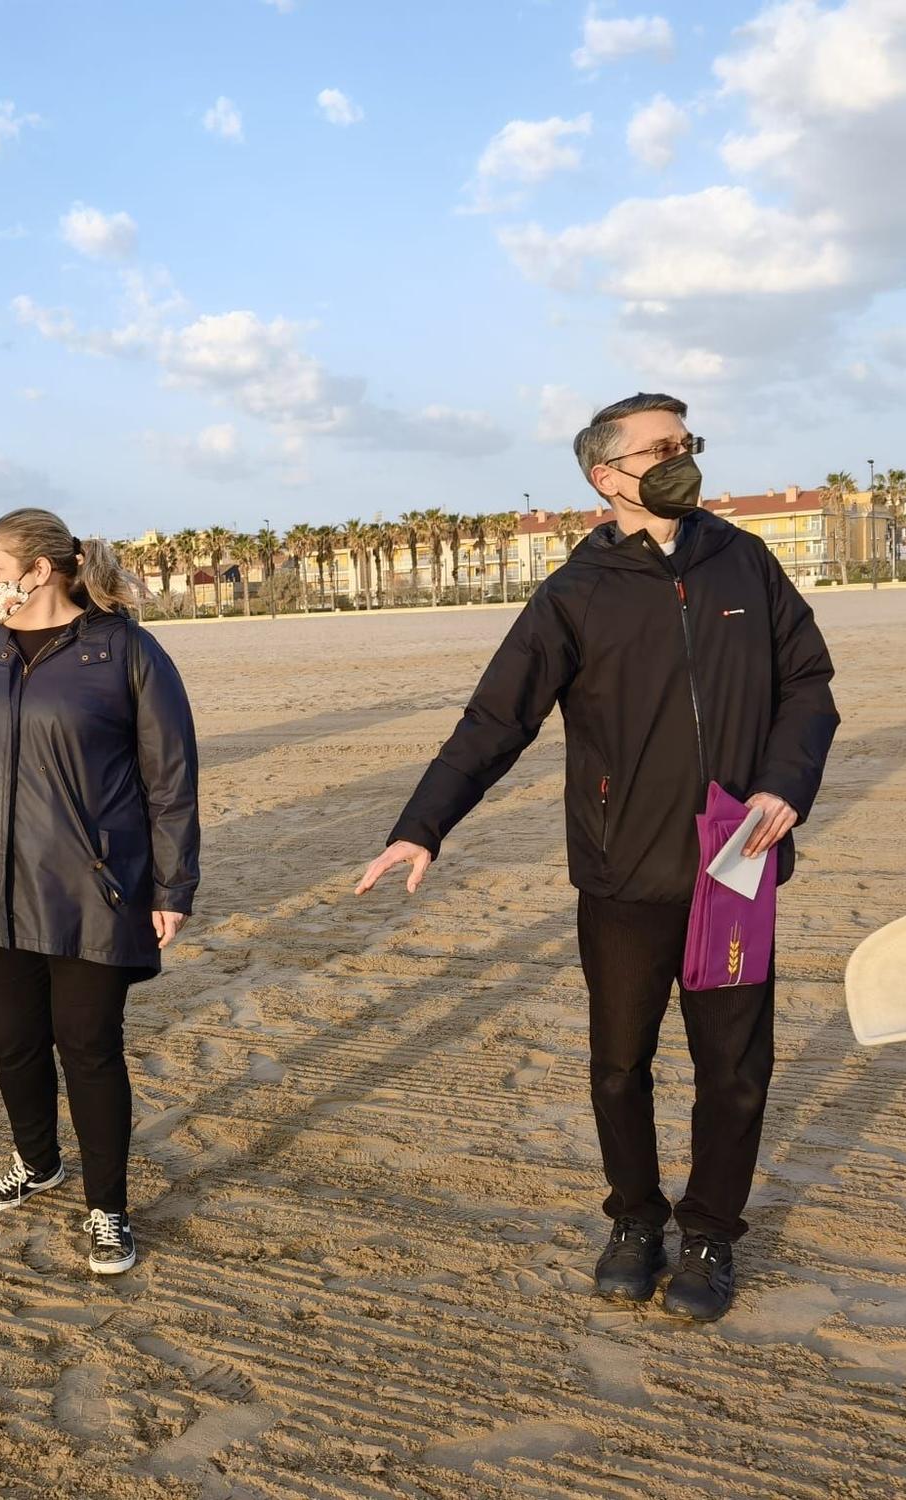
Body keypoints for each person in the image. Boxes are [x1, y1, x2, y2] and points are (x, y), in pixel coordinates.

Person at [355, 393, 840, 1324]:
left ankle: (709, 1235)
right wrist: (423, 824)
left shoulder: (743, 556)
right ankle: (635, 1221)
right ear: (607, 475)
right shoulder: (573, 594)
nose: (682, 457)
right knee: (621, 1063)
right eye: (662, 447)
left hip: (738, 863)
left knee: (734, 1068)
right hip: (623, 874)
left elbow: (808, 682)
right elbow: (497, 720)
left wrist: (786, 783)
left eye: (686, 442)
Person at [0, 509, 200, 1276]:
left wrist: (173, 885)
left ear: (39, 571)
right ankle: (38, 1162)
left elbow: (170, 780)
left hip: (92, 891)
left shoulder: (125, 653)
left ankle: (108, 1208)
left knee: (88, 1048)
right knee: (12, 1044)